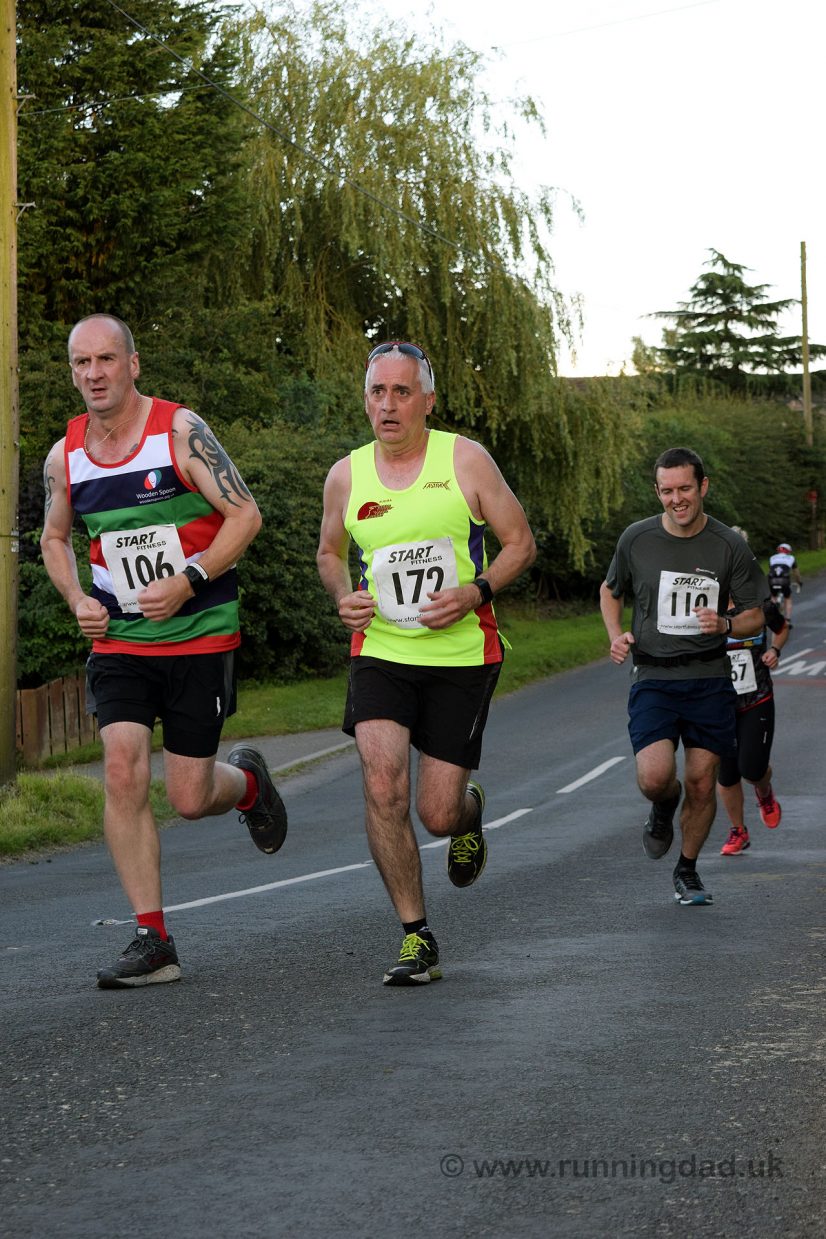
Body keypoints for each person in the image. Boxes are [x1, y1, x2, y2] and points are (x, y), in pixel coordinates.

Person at [40, 314, 287, 989]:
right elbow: (54, 537)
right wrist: (77, 601)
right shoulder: (66, 455)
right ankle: (153, 937)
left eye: (106, 360)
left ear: (133, 364)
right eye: (81, 363)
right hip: (119, 640)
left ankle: (249, 785)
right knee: (121, 768)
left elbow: (246, 515)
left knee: (187, 795)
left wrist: (189, 580)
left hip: (198, 635)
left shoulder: (179, 431)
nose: (93, 374)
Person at [316, 340, 536, 985]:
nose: (387, 405)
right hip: (381, 650)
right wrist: (343, 597)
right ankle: (417, 935)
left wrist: (475, 591)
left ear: (427, 401)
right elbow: (330, 553)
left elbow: (519, 543)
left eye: (401, 392)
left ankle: (467, 813)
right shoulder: (346, 475)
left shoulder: (464, 460)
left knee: (436, 813)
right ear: (365, 400)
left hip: (464, 654)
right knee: (384, 783)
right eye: (377, 393)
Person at [599, 446, 766, 907]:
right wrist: (616, 635)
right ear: (657, 491)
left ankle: (688, 869)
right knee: (655, 778)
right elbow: (610, 591)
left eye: (685, 489)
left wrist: (728, 624)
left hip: (710, 677)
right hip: (653, 675)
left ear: (703, 486)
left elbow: (756, 615)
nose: (677, 499)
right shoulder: (637, 539)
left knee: (700, 780)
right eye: (667, 490)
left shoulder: (729, 545)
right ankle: (662, 807)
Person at [718, 595, 790, 854]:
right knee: (726, 774)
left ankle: (764, 791)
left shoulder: (759, 604)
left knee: (751, 768)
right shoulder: (703, 607)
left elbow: (782, 628)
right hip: (718, 705)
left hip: (756, 698)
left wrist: (774, 650)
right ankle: (739, 831)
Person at [767, 543, 802, 620]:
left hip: (772, 579)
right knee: (787, 597)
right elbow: (796, 573)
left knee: (773, 596)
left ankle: (773, 612)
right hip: (784, 580)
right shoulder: (791, 558)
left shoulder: (772, 558)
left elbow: (771, 569)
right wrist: (799, 582)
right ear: (789, 551)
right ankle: (788, 618)